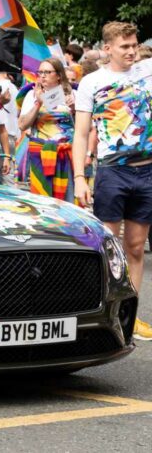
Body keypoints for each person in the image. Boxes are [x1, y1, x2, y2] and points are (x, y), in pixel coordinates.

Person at [72, 21, 152, 340]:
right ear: (108, 49)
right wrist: (80, 177)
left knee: (134, 247)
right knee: (108, 247)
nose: (131, 51)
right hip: (111, 171)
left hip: (146, 171)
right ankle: (104, 312)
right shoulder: (93, 82)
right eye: (124, 46)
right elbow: (80, 134)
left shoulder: (147, 71)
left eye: (134, 45)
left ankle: (130, 315)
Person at [19, 58, 75, 201]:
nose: (42, 75)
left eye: (47, 72)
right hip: (41, 154)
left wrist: (74, 108)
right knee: (42, 200)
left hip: (66, 154)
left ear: (58, 75)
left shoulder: (72, 95)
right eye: (40, 72)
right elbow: (22, 125)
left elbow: (85, 126)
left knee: (67, 198)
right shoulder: (31, 95)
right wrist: (38, 104)